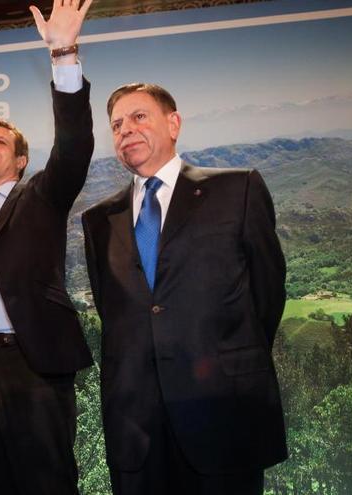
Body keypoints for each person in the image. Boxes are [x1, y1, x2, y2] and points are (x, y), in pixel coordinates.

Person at [81, 82, 288, 494]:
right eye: (117, 124)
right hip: (136, 428)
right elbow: (115, 312)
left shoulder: (238, 189)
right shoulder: (99, 220)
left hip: (224, 413)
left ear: (173, 123)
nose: (126, 130)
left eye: (139, 117)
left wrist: (226, 354)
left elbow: (267, 295)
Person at [0, 1, 94, 493]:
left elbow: (74, 148)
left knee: (48, 484)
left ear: (20, 161)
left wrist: (63, 53)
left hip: (33, 364)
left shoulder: (41, 196)